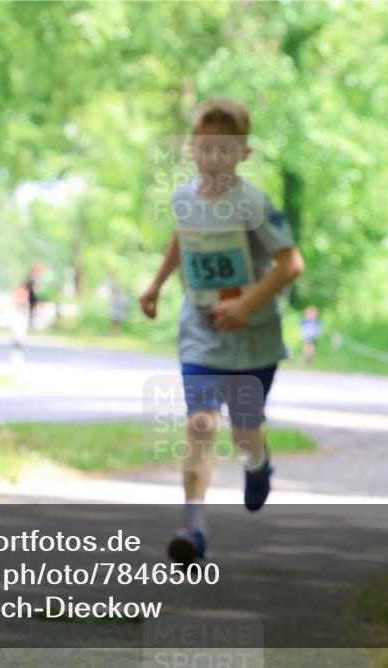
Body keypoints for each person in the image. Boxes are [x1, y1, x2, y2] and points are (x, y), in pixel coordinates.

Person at [138, 98, 304, 564]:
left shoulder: (254, 204)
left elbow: (291, 263)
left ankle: (259, 462)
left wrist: (245, 303)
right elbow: (182, 236)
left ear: (243, 154)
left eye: (224, 150)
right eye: (204, 147)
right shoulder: (185, 197)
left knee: (245, 432)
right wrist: (155, 284)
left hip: (253, 339)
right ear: (191, 147)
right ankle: (192, 526)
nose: (212, 158)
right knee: (201, 424)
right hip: (202, 332)